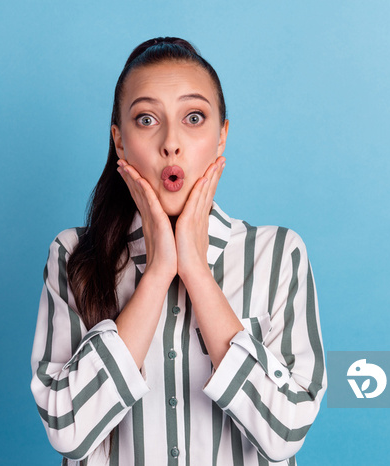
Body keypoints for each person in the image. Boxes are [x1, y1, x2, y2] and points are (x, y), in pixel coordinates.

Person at [30, 37, 326, 466]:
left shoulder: (278, 255)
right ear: (119, 141)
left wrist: (197, 272)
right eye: (147, 119)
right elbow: (68, 431)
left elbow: (285, 432)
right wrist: (157, 274)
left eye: (193, 117)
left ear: (221, 135)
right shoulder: (73, 255)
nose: (171, 143)